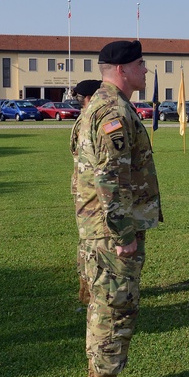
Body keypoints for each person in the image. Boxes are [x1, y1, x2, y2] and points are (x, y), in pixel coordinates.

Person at [75, 40, 159, 377]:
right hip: (111, 230)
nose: (146, 70)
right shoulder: (112, 111)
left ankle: (100, 376)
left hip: (100, 226)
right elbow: (110, 176)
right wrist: (123, 232)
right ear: (122, 70)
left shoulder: (104, 104)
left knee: (104, 301)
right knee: (114, 303)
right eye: (141, 64)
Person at [70, 78, 102, 305]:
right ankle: (89, 289)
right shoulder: (88, 120)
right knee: (91, 243)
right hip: (90, 191)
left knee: (86, 242)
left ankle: (86, 288)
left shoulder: (84, 118)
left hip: (83, 188)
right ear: (90, 98)